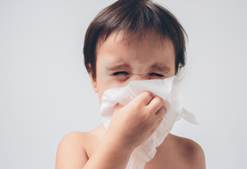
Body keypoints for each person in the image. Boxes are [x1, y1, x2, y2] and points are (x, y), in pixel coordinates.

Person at [55, 0, 206, 168]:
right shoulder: (77, 146)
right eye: (120, 73)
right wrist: (121, 142)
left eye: (156, 75)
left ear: (173, 80)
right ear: (94, 77)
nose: (139, 87)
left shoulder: (189, 153)